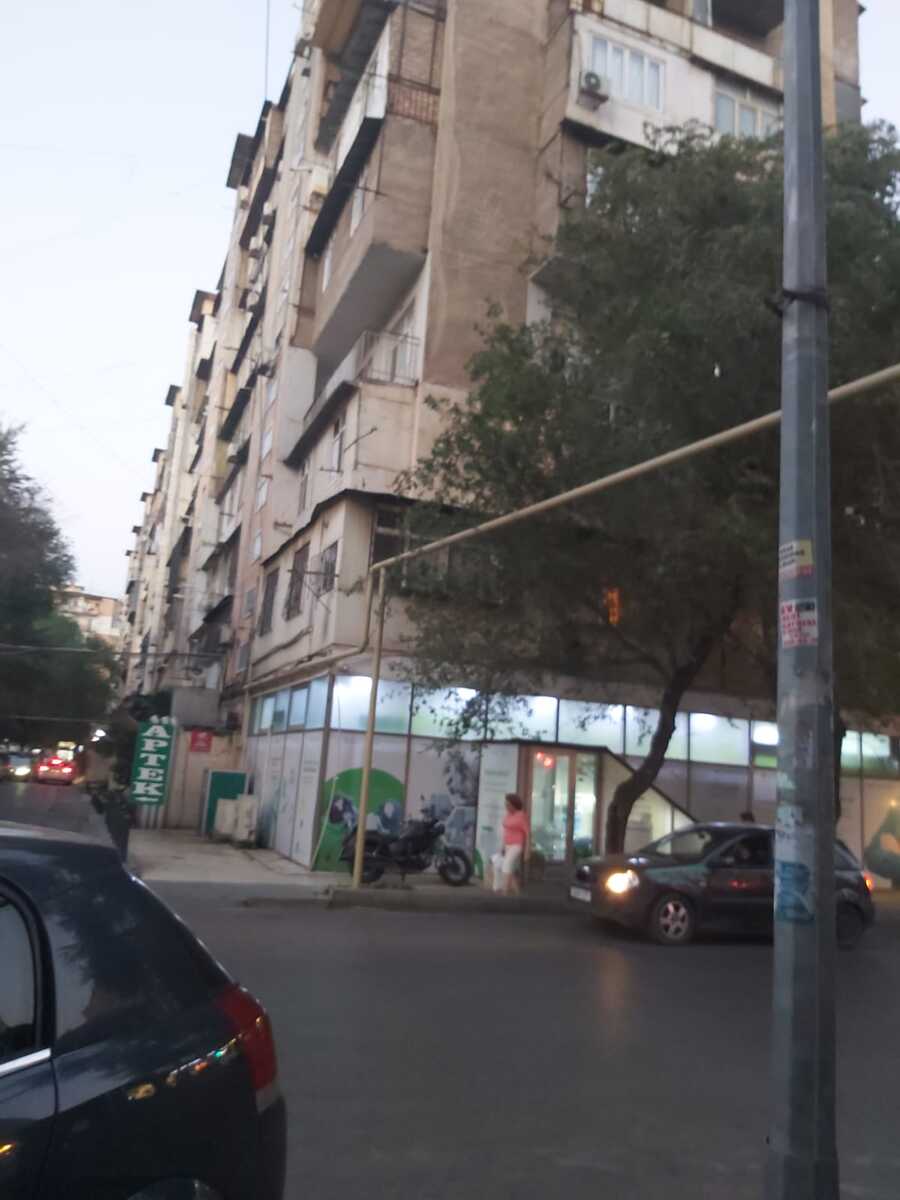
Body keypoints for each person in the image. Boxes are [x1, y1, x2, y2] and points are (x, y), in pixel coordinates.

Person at [492, 793, 530, 896]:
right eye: (505, 804)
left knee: (507, 864)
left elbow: (527, 833)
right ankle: (511, 891)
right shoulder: (508, 815)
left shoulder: (521, 816)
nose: (506, 806)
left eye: (508, 804)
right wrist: (503, 846)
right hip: (507, 845)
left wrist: (527, 850)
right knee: (498, 865)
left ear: (514, 804)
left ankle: (505, 890)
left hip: (516, 845)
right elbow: (506, 831)